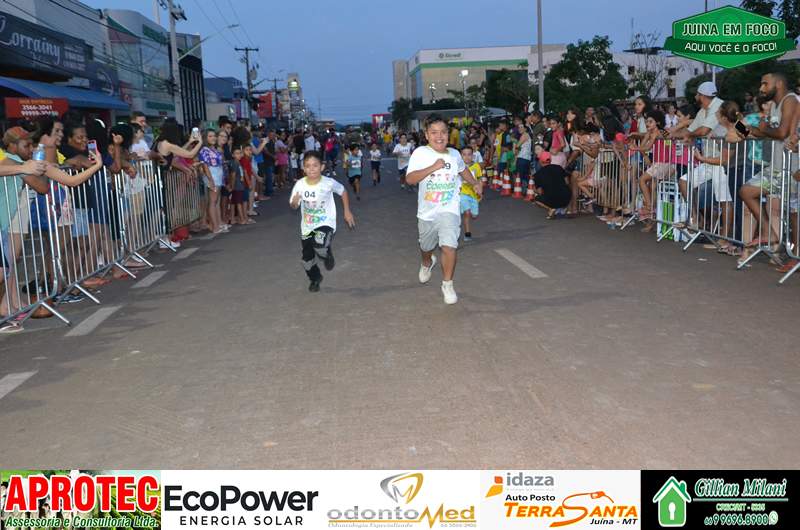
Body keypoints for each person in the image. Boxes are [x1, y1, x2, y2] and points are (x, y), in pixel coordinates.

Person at [405, 114, 483, 305]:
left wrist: (474, 183)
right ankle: (427, 262)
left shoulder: (454, 154)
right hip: (427, 212)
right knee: (426, 247)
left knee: (449, 246)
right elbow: (410, 179)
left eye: (443, 132)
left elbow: (463, 170)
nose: (439, 136)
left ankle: (447, 284)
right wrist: (432, 167)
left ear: (448, 134)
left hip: (449, 209)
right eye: (434, 132)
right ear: (426, 135)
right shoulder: (420, 153)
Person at [289, 150, 355, 292]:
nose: (311, 169)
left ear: (322, 167)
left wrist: (347, 211)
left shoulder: (328, 183)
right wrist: (294, 202)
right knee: (306, 261)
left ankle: (326, 254)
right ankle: (315, 278)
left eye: (315, 165)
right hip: (307, 227)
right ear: (303, 168)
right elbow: (294, 206)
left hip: (325, 222)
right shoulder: (300, 185)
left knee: (319, 244)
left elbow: (343, 191)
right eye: (308, 166)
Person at [198, 129, 226, 234]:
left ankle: (217, 225)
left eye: (214, 136)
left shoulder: (213, 148)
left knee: (215, 201)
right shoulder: (204, 150)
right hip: (212, 175)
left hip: (218, 175)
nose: (213, 138)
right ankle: (215, 227)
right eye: (210, 136)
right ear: (205, 138)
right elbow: (205, 166)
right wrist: (211, 180)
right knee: (213, 202)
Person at [532, 151, 571, 219]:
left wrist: (534, 189)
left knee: (536, 199)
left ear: (540, 161)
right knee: (566, 190)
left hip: (551, 200)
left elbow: (540, 192)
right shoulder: (559, 167)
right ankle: (565, 209)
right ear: (550, 160)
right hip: (566, 198)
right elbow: (567, 182)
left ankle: (551, 209)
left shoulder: (537, 174)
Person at [459, 146, 482, 242]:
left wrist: (480, 191)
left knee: (474, 215)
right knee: (467, 213)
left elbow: (479, 180)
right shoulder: (459, 167)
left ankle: (469, 212)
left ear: (473, 156)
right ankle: (467, 233)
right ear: (461, 156)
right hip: (462, 193)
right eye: (464, 154)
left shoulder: (476, 166)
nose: (467, 157)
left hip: (473, 194)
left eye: (469, 154)